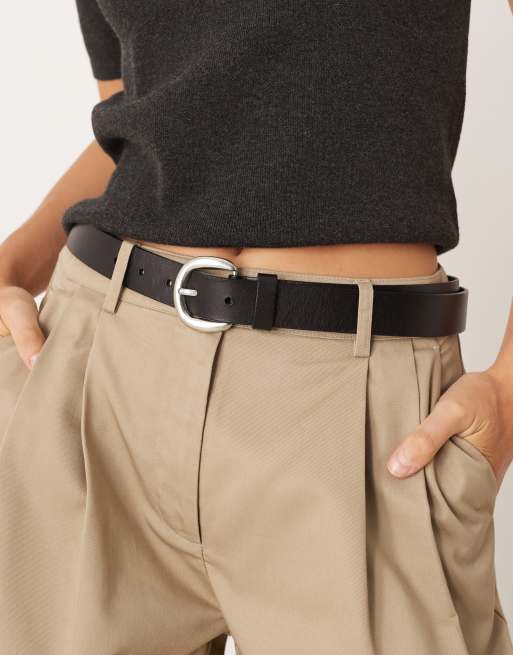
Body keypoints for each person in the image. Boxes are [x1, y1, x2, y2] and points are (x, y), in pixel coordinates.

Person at [0, 1, 512, 653]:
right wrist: (12, 264)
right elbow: (143, 113)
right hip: (98, 383)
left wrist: (508, 389)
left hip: (352, 411)